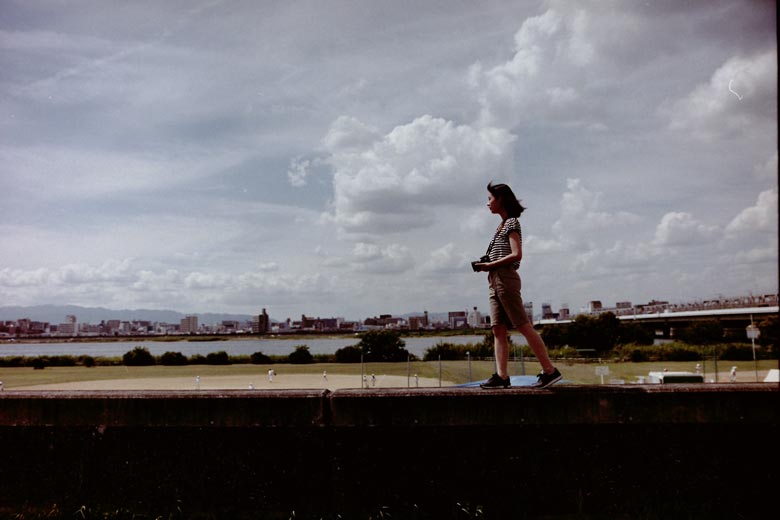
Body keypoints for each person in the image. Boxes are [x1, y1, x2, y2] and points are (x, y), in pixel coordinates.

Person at [473, 182, 562, 389]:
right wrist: (487, 265)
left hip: (505, 278)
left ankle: (550, 370)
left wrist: (489, 264)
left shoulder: (512, 223)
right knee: (498, 329)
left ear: (501, 199)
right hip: (495, 279)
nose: (488, 204)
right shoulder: (502, 225)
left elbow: (516, 255)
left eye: (490, 199)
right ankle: (502, 377)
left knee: (522, 325)